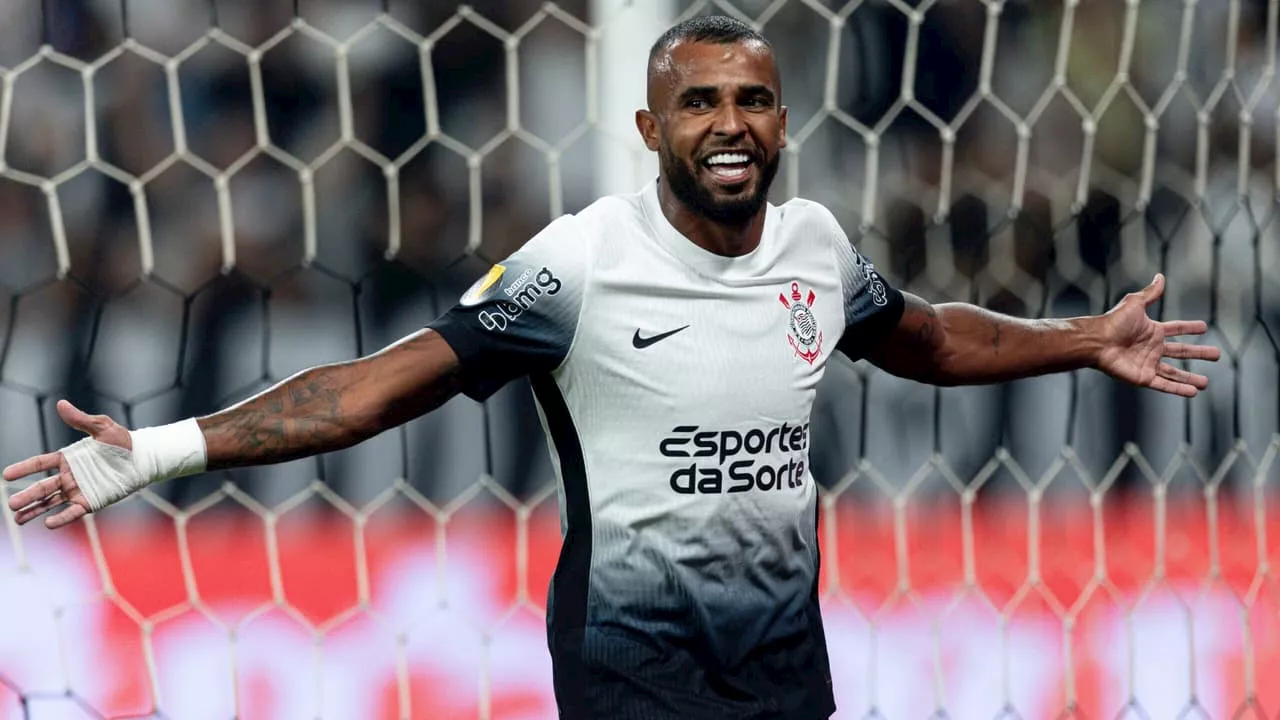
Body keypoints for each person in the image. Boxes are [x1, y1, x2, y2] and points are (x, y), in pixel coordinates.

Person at [4, 15, 1220, 720]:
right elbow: (379, 386)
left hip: (787, 680)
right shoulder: (578, 265)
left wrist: (1083, 340)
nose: (729, 123)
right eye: (697, 103)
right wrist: (155, 454)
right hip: (629, 676)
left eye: (752, 99)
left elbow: (927, 337)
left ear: (783, 119)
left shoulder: (813, 248)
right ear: (651, 130)